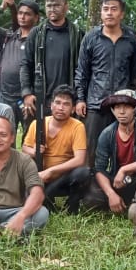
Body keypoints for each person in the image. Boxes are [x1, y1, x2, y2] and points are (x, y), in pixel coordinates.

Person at [74, 0, 136, 161]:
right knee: (91, 149)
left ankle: (120, 185)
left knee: (123, 149)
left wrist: (130, 99)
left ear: (121, 14)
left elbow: (135, 73)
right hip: (95, 104)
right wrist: (81, 98)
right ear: (101, 13)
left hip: (122, 104)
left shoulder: (131, 40)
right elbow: (82, 71)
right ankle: (90, 186)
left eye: (114, 9)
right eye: (105, 9)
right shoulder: (91, 38)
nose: (109, 13)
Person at [83, 90, 136, 214]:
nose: (121, 111)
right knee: (91, 199)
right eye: (117, 107)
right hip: (118, 181)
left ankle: (135, 204)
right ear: (112, 110)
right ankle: (118, 201)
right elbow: (99, 168)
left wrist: (125, 170)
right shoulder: (108, 133)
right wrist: (111, 193)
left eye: (127, 107)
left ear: (135, 109)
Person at [22, 85, 91, 215]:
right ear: (51, 105)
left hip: (63, 178)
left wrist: (51, 171)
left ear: (72, 109)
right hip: (39, 176)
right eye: (57, 102)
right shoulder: (37, 123)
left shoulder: (77, 126)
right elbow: (24, 148)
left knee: (84, 173)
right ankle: (45, 202)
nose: (60, 107)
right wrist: (34, 151)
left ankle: (71, 208)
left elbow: (80, 160)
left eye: (66, 104)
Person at [21, 0, 84, 125]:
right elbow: (26, 64)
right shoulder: (36, 33)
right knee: (37, 142)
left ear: (66, 7)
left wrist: (80, 98)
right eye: (49, 6)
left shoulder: (78, 34)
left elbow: (82, 69)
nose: (52, 9)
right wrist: (26, 93)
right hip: (40, 98)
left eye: (56, 5)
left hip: (67, 100)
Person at [0, 0, 38, 132]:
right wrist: (2, 7)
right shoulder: (7, 37)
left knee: (29, 136)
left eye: (27, 14)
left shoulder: (39, 41)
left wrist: (29, 94)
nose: (22, 17)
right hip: (4, 96)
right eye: (20, 13)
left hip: (26, 98)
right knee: (2, 133)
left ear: (36, 18)